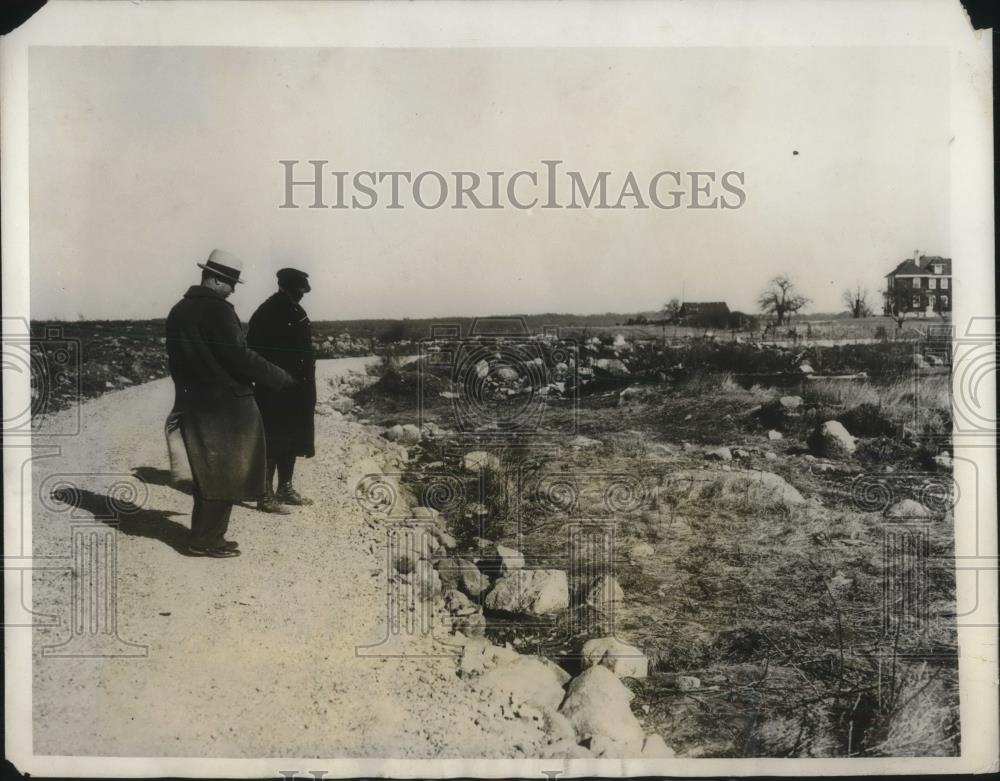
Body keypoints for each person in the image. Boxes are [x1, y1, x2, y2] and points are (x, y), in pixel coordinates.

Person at [165, 250, 293, 558]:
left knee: (207, 471)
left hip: (193, 401)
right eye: (230, 283)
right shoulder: (219, 311)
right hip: (227, 406)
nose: (233, 289)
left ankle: (207, 536)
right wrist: (279, 376)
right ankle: (205, 541)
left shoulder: (178, 310)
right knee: (226, 473)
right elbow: (240, 356)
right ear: (213, 279)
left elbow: (176, 361)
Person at [246, 267, 317, 513]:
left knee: (294, 437)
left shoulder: (297, 310)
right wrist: (276, 378)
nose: (302, 295)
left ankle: (284, 488)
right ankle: (264, 494)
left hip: (298, 389)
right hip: (275, 389)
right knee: (273, 439)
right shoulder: (267, 312)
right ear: (285, 286)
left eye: (303, 291)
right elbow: (254, 353)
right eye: (299, 290)